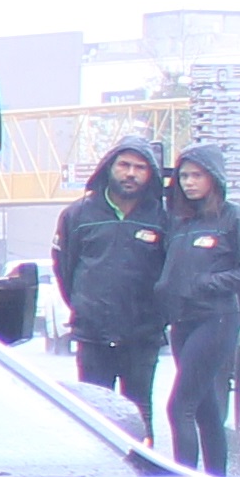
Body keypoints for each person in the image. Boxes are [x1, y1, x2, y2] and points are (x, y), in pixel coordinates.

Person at [54, 134, 172, 442]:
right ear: (109, 168)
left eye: (140, 168)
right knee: (95, 416)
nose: (131, 173)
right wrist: (85, 305)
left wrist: (156, 316)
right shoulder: (77, 216)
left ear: (151, 175)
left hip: (142, 335)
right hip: (92, 335)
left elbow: (170, 274)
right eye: (124, 165)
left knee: (139, 413)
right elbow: (65, 270)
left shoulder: (163, 218)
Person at [156, 145, 240, 477]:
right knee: (204, 407)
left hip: (216, 319)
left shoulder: (234, 218)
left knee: (179, 406)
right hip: (182, 321)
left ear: (213, 178)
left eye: (196, 175)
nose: (188, 182)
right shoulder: (179, 222)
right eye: (184, 175)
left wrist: (208, 282)